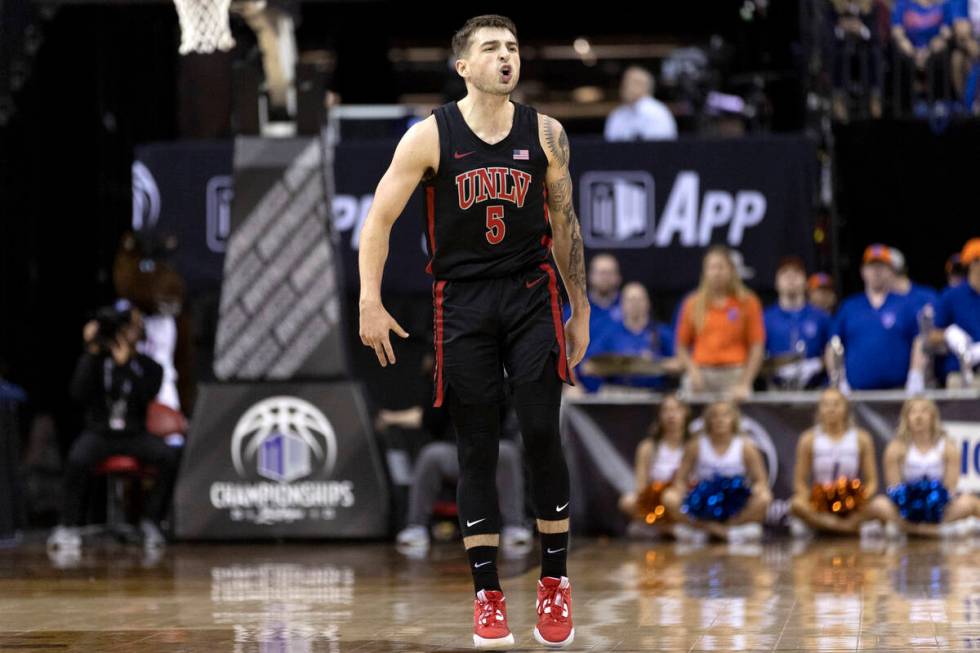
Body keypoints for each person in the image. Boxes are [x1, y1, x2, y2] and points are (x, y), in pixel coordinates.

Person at [356, 15, 587, 649]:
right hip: (460, 299)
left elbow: (565, 225)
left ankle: (554, 581)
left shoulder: (547, 133)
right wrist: (368, 301)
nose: (506, 57)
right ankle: (487, 593)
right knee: (476, 443)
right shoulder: (429, 136)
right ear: (464, 65)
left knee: (541, 429)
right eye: (491, 48)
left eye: (512, 47)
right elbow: (378, 222)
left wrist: (582, 307)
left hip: (530, 292)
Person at [47, 303, 179, 552]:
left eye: (132, 328)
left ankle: (151, 520)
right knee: (76, 458)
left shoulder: (149, 366)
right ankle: (67, 525)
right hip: (100, 433)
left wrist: (126, 365)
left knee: (169, 456)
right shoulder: (95, 361)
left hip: (134, 433)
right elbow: (77, 393)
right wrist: (91, 350)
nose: (126, 333)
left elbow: (146, 395)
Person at [662, 400, 772, 543]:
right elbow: (680, 479)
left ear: (734, 419)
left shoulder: (746, 446)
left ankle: (725, 529)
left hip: (734, 504)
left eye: (725, 415)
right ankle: (712, 529)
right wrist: (681, 490)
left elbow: (761, 480)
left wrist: (758, 489)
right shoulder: (695, 445)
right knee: (669, 498)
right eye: (714, 416)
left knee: (764, 498)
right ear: (708, 420)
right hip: (702, 503)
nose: (720, 420)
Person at [869, 397, 980, 537]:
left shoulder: (947, 446)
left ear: (933, 417)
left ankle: (911, 530)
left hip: (939, 509)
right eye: (913, 412)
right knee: (878, 504)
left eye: (924, 411)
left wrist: (933, 504)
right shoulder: (895, 447)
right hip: (906, 510)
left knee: (969, 501)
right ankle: (926, 530)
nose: (918, 416)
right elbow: (894, 489)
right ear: (906, 418)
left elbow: (950, 488)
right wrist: (910, 506)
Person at [788, 389, 888, 537]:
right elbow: (799, 482)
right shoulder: (808, 439)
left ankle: (827, 527)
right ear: (819, 409)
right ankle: (846, 528)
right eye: (826, 404)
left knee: (882, 505)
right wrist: (814, 500)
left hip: (852, 502)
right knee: (796, 504)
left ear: (846, 408)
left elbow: (872, 481)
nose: (831, 409)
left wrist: (857, 499)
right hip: (821, 503)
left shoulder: (861, 438)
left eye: (836, 404)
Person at [675, 246, 766, 399]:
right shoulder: (692, 303)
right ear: (705, 272)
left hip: (735, 372)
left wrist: (745, 382)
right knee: (686, 393)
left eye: (721, 267)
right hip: (701, 372)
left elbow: (757, 347)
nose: (717, 272)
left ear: (731, 270)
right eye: (712, 267)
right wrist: (692, 370)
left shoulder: (748, 302)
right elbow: (681, 347)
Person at [827, 244, 920, 391]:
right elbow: (833, 345)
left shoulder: (905, 304)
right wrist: (837, 379)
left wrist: (916, 375)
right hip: (856, 392)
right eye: (872, 267)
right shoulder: (850, 306)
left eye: (881, 267)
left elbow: (918, 341)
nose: (877, 272)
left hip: (898, 390)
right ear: (863, 271)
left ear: (891, 271)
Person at [618, 394, 690, 538]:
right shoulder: (648, 446)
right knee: (627, 502)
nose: (671, 415)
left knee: (671, 499)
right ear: (659, 415)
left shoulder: (692, 444)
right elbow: (641, 483)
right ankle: (666, 529)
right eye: (666, 410)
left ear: (685, 413)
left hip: (682, 499)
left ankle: (686, 527)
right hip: (656, 501)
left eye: (676, 410)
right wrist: (650, 498)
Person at [586, 282, 680, 390]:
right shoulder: (609, 333)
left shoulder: (661, 332)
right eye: (630, 300)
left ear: (648, 303)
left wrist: (652, 363)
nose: (635, 304)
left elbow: (679, 364)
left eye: (639, 299)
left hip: (654, 393)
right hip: (617, 392)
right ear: (622, 304)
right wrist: (620, 364)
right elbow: (588, 367)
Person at [763, 257, 832, 389]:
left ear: (806, 282)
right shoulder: (765, 318)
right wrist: (773, 367)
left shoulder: (821, 317)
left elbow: (833, 350)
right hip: (777, 389)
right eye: (785, 274)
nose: (791, 278)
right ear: (776, 282)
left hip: (815, 387)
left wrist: (816, 364)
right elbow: (757, 354)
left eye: (796, 274)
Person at [563, 253, 624, 393]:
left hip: (621, 387)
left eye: (610, 273)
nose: (605, 277)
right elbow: (559, 350)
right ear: (590, 276)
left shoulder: (629, 306)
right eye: (601, 272)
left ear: (618, 277)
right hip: (579, 389)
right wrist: (570, 384)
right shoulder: (573, 310)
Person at [931, 238, 980, 386]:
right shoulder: (952, 295)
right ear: (971, 264)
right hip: (960, 373)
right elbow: (931, 336)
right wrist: (949, 334)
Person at [603, 65, 678, 141]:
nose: (626, 87)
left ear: (645, 85)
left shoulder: (657, 112)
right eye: (624, 83)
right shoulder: (617, 114)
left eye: (633, 83)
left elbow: (661, 146)